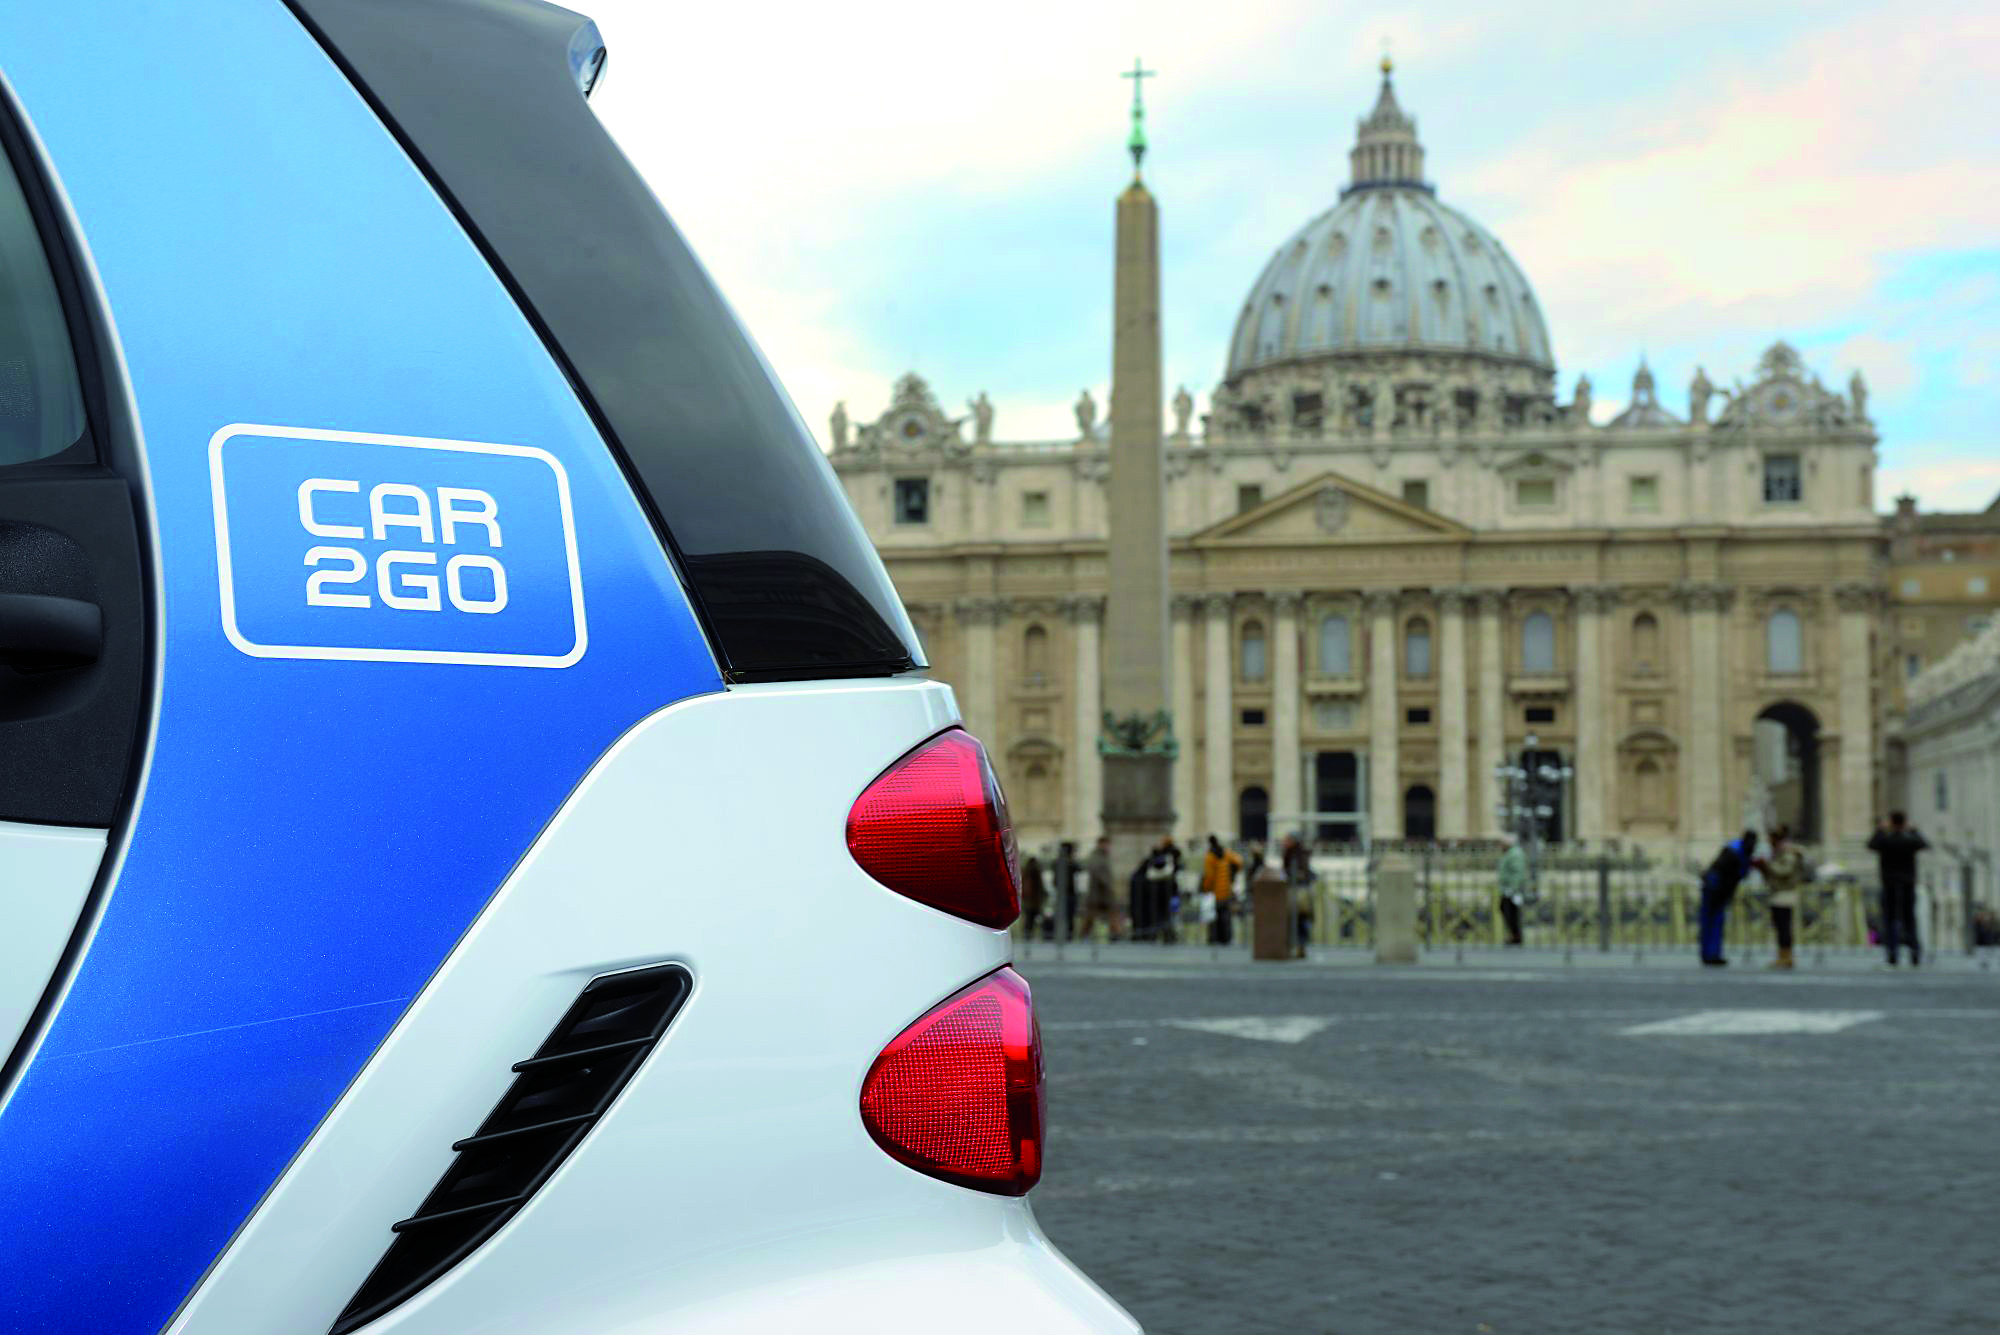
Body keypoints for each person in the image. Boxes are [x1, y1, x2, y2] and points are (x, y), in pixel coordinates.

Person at [1868, 811, 1929, 967]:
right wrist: (1914, 830)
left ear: (1891, 823)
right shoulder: (1910, 840)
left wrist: (1880, 830)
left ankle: (1892, 954)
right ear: (1904, 823)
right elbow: (1924, 844)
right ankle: (1915, 953)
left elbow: (1871, 844)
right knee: (1910, 920)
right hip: (1908, 884)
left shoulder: (1886, 840)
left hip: (1889, 884)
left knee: (1889, 920)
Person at [1697, 829, 1759, 966]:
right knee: (1713, 922)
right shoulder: (1735, 852)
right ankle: (1711, 954)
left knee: (1713, 923)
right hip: (1715, 890)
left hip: (1717, 890)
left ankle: (1711, 953)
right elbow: (1727, 874)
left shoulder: (1737, 850)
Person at [1755, 824, 1806, 970]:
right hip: (1778, 893)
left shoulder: (1788, 853)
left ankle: (1786, 957)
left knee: (1784, 927)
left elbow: (1785, 871)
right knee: (1780, 926)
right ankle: (1783, 956)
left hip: (1784, 894)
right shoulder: (1779, 852)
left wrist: (1767, 866)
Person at [1200, 835, 1243, 946]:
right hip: (1226, 890)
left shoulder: (1210, 857)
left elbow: (1209, 876)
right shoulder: (1226, 853)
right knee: (1225, 916)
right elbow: (1239, 861)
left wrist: (1205, 888)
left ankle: (1214, 938)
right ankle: (1226, 938)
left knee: (1213, 916)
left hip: (1214, 892)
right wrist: (1233, 873)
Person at [1078, 835, 1118, 941]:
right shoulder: (1096, 857)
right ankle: (1115, 935)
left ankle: (1115, 935)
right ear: (1101, 844)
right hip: (1097, 894)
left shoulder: (1104, 856)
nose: (1108, 847)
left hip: (1103, 894)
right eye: (1106, 844)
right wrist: (1107, 884)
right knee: (1090, 917)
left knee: (1111, 914)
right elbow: (1098, 873)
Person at [1279, 833, 1313, 956]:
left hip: (1297, 891)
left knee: (1299, 919)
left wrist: (1291, 875)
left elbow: (1300, 872)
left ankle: (1299, 945)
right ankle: (1297, 946)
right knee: (1298, 920)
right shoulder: (1294, 853)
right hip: (1297, 891)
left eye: (1287, 840)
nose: (1284, 842)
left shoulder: (1296, 854)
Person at [1495, 836, 1528, 946]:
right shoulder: (1511, 853)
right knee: (1508, 910)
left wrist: (1514, 888)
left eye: (1501, 844)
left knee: (1510, 911)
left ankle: (1516, 936)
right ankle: (1514, 935)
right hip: (1508, 888)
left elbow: (1517, 872)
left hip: (1511, 889)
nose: (1500, 846)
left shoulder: (1514, 854)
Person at [1019, 853, 1048, 941]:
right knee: (1035, 919)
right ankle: (1043, 936)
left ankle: (1027, 936)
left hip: (1029, 900)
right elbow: (1039, 887)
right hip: (1034, 901)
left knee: (1029, 920)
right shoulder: (1035, 872)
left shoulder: (1026, 872)